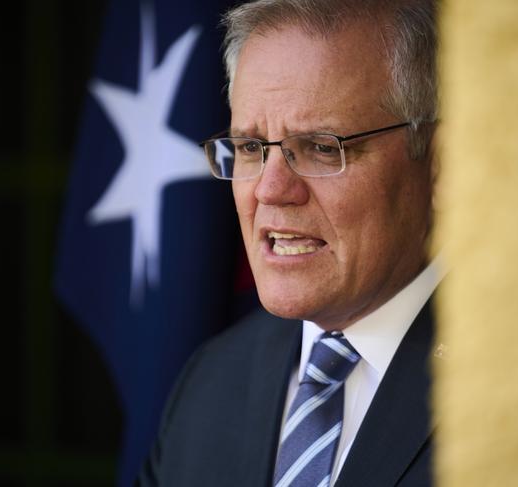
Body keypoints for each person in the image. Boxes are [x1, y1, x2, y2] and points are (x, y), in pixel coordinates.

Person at [136, 0, 441, 485]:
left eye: (322, 147)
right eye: (251, 148)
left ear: (439, 163)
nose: (271, 190)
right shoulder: (210, 381)